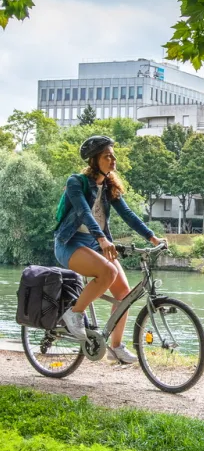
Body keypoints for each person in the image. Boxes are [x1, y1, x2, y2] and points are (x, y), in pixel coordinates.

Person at [54, 134, 165, 363]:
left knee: (123, 293)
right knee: (109, 272)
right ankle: (73, 314)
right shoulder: (76, 182)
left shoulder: (109, 187)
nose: (113, 160)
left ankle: (115, 347)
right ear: (94, 160)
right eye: (107, 156)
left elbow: (129, 215)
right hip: (70, 244)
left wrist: (152, 238)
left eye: (114, 156)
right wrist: (102, 238)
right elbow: (84, 212)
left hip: (96, 245)